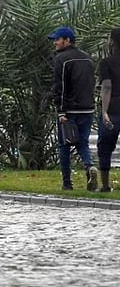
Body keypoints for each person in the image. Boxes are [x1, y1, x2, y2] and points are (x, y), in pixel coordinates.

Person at [49, 25, 99, 191]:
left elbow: (60, 87)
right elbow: (92, 84)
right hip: (88, 108)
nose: (55, 43)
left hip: (69, 110)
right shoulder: (87, 58)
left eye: (57, 39)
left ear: (67, 40)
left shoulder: (61, 60)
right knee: (82, 142)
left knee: (64, 145)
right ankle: (89, 166)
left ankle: (67, 184)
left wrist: (61, 111)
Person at [96, 27, 120, 192]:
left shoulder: (107, 62)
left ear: (113, 42)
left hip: (113, 109)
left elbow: (107, 87)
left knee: (105, 146)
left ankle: (105, 185)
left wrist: (104, 112)